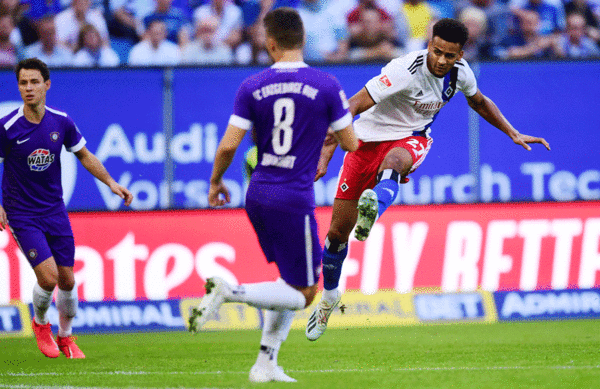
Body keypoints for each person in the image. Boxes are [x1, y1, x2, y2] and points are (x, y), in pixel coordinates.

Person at [305, 18, 551, 342]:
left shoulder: (460, 74)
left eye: (449, 55)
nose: (441, 61)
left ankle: (374, 209)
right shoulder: (404, 69)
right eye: (436, 52)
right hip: (364, 143)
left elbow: (478, 101)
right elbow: (353, 105)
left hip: (411, 139)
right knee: (337, 235)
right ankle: (330, 297)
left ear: (460, 54)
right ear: (428, 44)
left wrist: (512, 131)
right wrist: (326, 148)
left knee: (395, 162)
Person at [188, 7, 358, 383]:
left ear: (270, 43)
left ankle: (266, 362)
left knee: (286, 282)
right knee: (306, 293)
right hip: (294, 197)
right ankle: (230, 291)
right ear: (304, 40)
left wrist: (216, 182)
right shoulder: (327, 85)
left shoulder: (252, 85)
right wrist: (324, 132)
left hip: (258, 193)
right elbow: (351, 141)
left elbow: (229, 147)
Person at [0, 58, 133, 358]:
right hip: (22, 213)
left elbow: (84, 155)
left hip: (54, 211)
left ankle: (66, 337)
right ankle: (40, 323)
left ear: (47, 85)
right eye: (23, 83)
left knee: (69, 280)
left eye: (35, 82)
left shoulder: (61, 121)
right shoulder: (7, 127)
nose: (29, 88)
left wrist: (111, 183)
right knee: (49, 279)